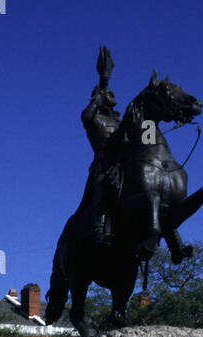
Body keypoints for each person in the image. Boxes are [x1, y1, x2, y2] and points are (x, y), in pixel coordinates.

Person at [79, 46, 124, 247]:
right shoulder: (94, 119)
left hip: (122, 165)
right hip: (102, 165)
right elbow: (86, 115)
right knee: (102, 186)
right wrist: (97, 94)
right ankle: (99, 230)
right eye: (109, 93)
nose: (113, 94)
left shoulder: (120, 122)